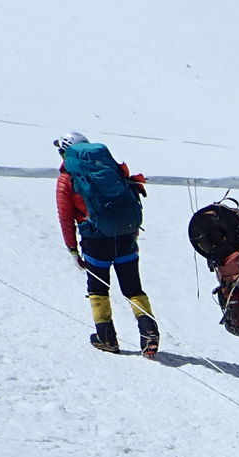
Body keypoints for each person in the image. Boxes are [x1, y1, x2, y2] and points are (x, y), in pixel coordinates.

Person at [54, 132, 159, 356]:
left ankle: (106, 337)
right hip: (124, 235)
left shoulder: (67, 178)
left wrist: (72, 249)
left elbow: (65, 217)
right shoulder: (108, 167)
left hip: (94, 240)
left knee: (98, 289)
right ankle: (149, 332)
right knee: (133, 288)